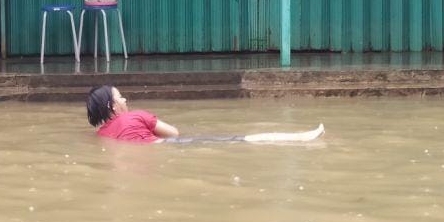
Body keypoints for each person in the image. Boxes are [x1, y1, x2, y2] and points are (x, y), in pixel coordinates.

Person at [86, 85, 324, 143]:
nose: (125, 99)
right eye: (120, 97)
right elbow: (174, 134)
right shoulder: (136, 115)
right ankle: (295, 137)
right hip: (171, 146)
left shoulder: (102, 136)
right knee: (236, 140)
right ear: (111, 106)